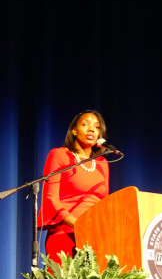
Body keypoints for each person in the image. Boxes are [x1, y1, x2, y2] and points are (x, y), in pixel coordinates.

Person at [38, 110, 110, 264]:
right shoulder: (59, 155)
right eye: (85, 124)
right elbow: (51, 199)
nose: (91, 129)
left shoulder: (103, 163)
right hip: (65, 234)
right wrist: (79, 225)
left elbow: (104, 204)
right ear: (74, 130)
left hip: (95, 237)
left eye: (96, 127)